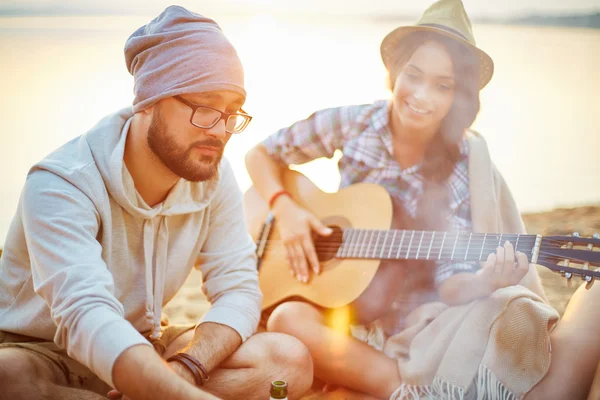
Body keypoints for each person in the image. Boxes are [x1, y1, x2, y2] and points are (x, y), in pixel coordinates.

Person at [245, 0, 600, 398]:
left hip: (414, 319)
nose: (421, 95)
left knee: (505, 321)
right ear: (394, 73)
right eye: (413, 75)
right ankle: (398, 386)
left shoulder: (461, 167)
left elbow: (451, 285)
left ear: (459, 96)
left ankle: (393, 384)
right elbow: (260, 155)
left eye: (442, 85)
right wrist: (286, 209)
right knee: (288, 317)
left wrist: (485, 280)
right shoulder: (356, 122)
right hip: (338, 301)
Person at [0, 6, 313, 400]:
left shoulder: (213, 174)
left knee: (288, 358)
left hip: (149, 344)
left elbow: (239, 288)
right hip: (47, 352)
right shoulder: (61, 183)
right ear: (150, 100)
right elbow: (85, 315)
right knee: (7, 377)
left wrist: (187, 368)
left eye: (231, 113)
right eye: (204, 107)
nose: (220, 130)